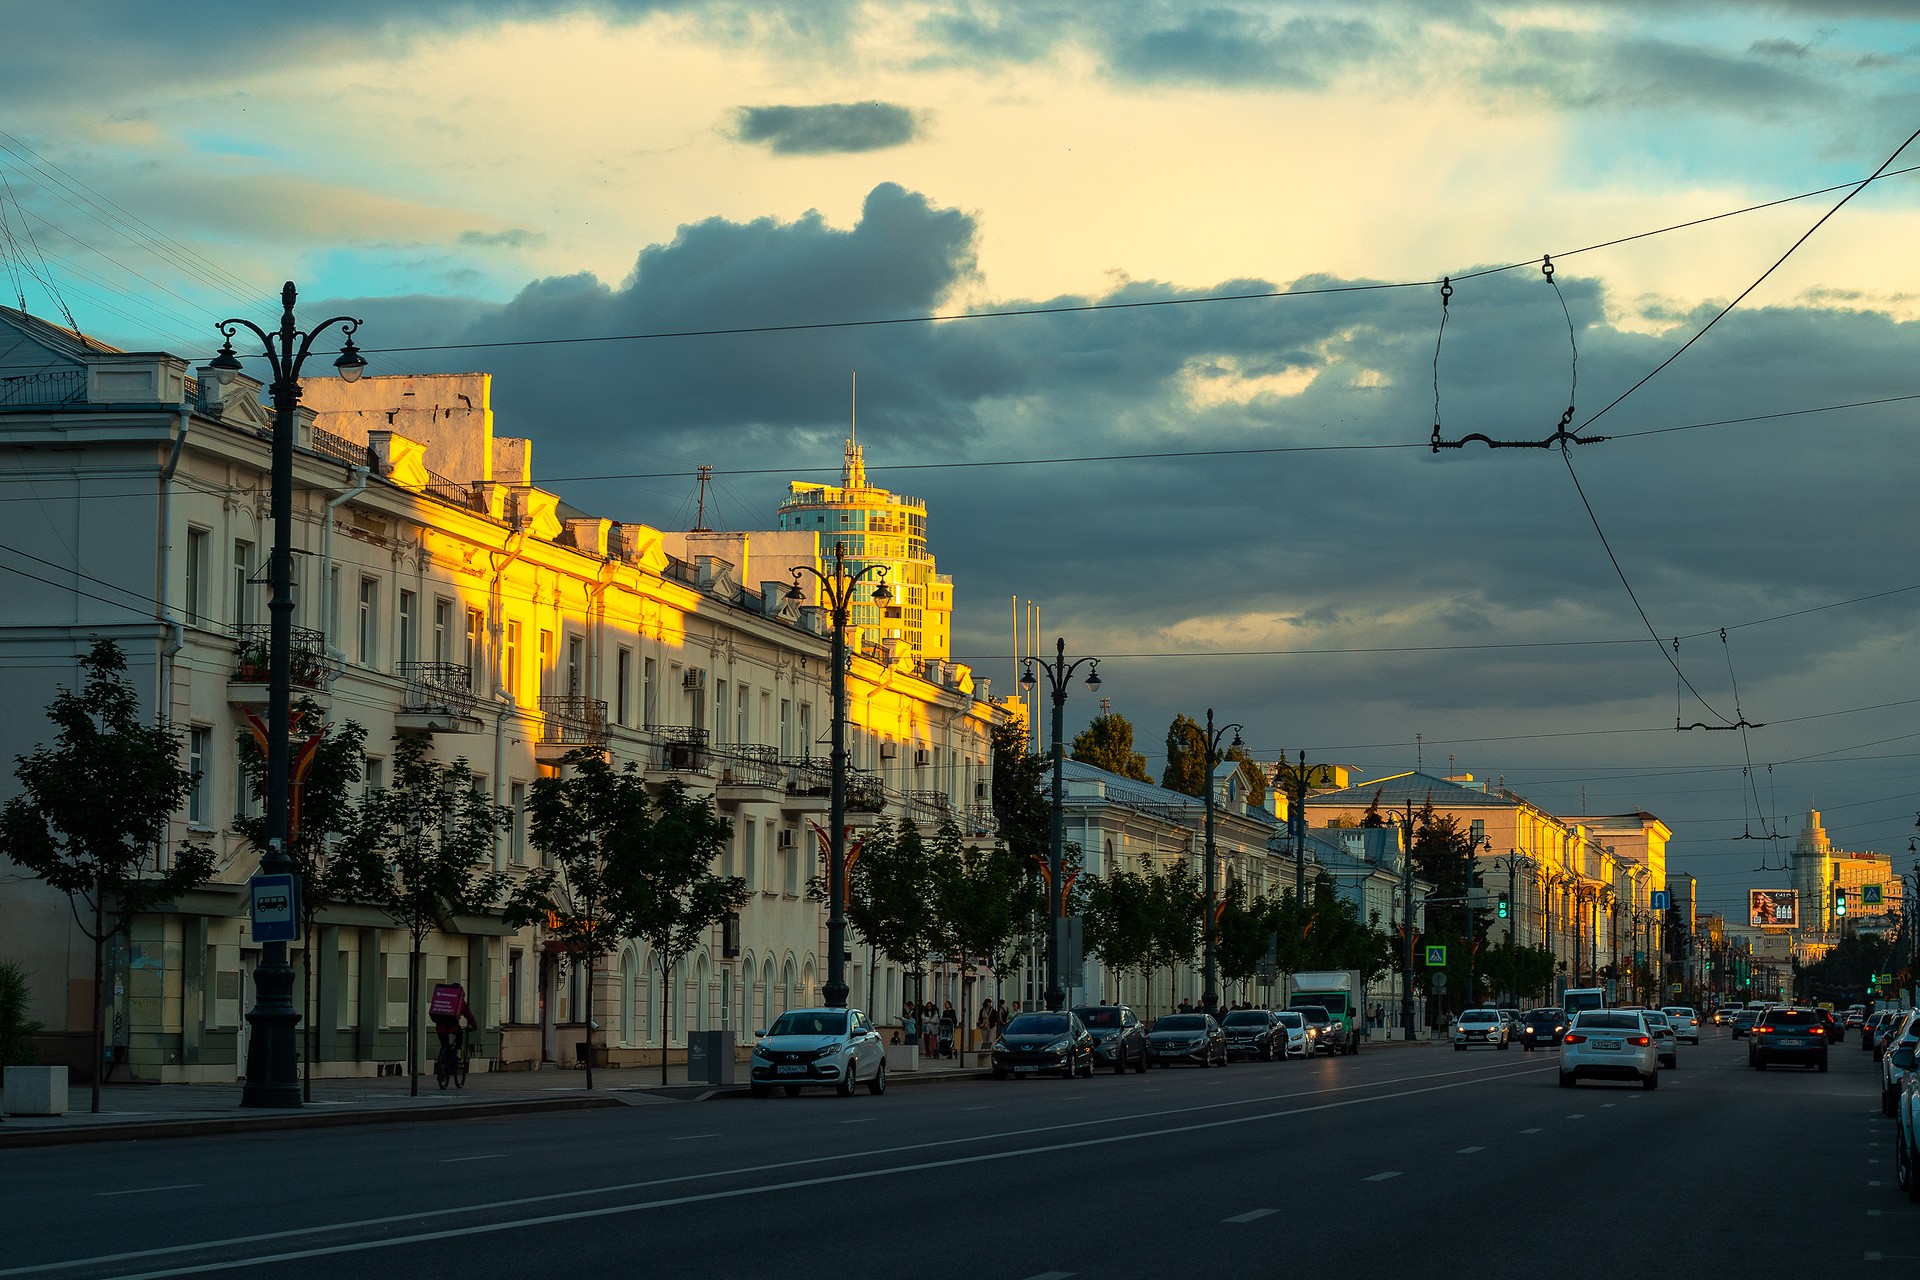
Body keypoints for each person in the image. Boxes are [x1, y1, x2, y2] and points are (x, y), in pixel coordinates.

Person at [430, 982, 476, 1068]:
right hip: (453, 1027)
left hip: (440, 1027)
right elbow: (469, 1016)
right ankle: (458, 1054)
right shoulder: (461, 1002)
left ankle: (443, 1063)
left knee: (445, 1045)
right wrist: (474, 1027)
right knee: (459, 1036)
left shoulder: (443, 998)